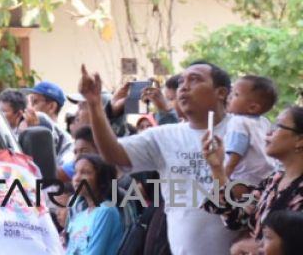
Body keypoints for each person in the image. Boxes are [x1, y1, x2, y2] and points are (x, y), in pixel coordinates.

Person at [78, 61, 241, 255]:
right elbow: (112, 153)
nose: (184, 87)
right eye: (181, 82)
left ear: (221, 92)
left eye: (195, 80)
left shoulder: (244, 130)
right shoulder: (164, 136)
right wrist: (95, 104)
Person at [201, 105, 303, 255]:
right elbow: (236, 219)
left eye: (278, 126)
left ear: (300, 140)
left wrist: (254, 246)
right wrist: (217, 168)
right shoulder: (273, 181)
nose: (269, 132)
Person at [64, 153, 125, 255]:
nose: (76, 178)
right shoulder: (80, 216)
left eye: (85, 173)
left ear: (101, 179)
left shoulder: (106, 211)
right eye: (75, 172)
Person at [221, 74, 277, 185]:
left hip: (243, 178)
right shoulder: (264, 122)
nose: (229, 97)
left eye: (236, 95)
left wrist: (224, 176)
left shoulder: (238, 122)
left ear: (253, 108)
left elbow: (235, 152)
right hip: (266, 176)